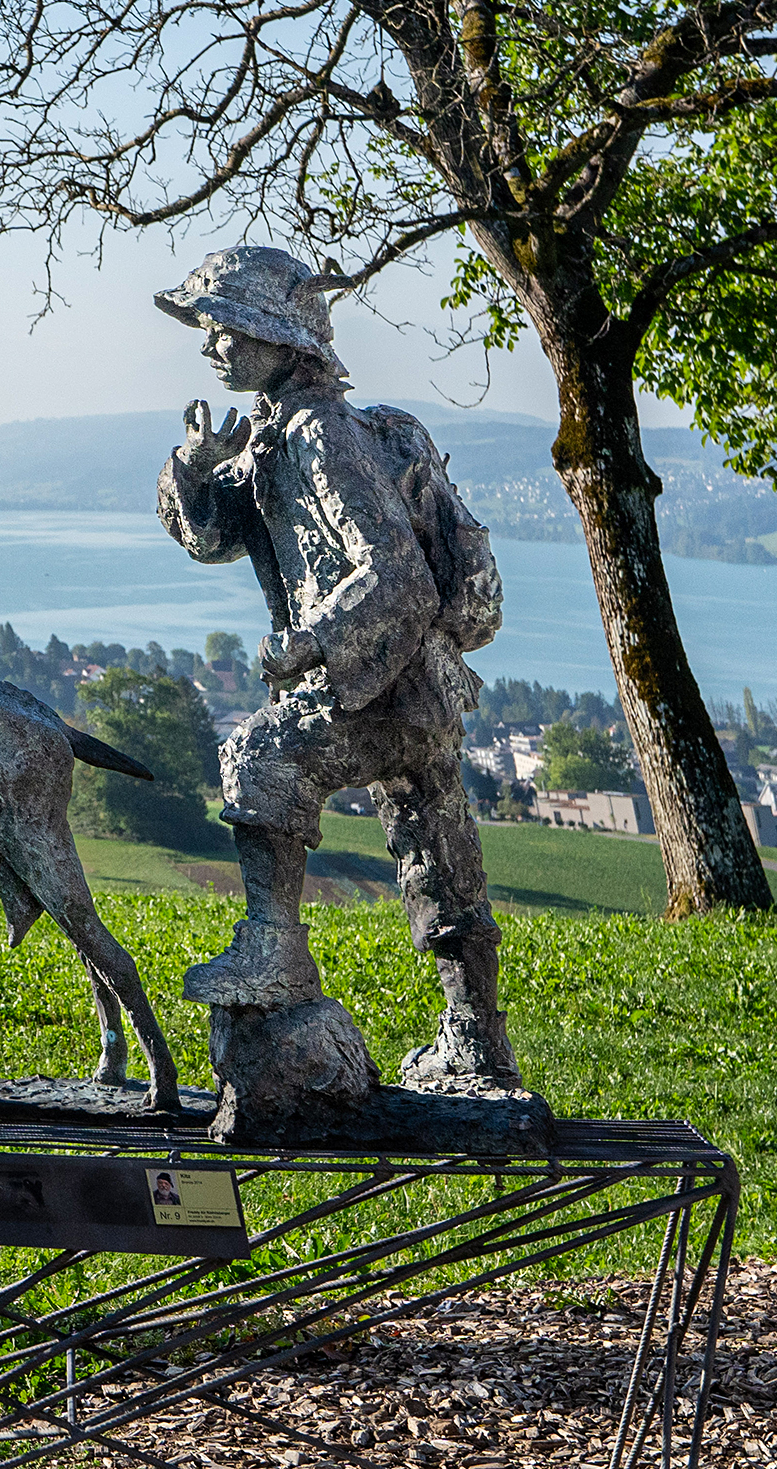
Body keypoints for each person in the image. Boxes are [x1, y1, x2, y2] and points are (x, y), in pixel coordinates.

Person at [153, 246, 519, 1090]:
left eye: (224, 324)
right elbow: (213, 537)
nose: (211, 344)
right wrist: (195, 470)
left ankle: (273, 949)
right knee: (438, 850)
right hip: (408, 685)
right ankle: (478, 1043)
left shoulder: (318, 433)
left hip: (380, 683)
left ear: (278, 334)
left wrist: (311, 638)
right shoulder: (278, 430)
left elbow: (396, 575)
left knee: (262, 752)